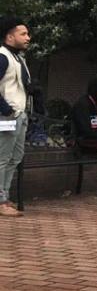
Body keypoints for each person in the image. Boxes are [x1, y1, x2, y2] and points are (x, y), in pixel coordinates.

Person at [0, 17, 31, 217]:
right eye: (23, 34)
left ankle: (5, 196)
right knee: (2, 158)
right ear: (10, 36)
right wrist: (5, 109)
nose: (28, 37)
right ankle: (1, 201)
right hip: (7, 116)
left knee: (15, 157)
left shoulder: (18, 57)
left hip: (20, 115)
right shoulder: (2, 56)